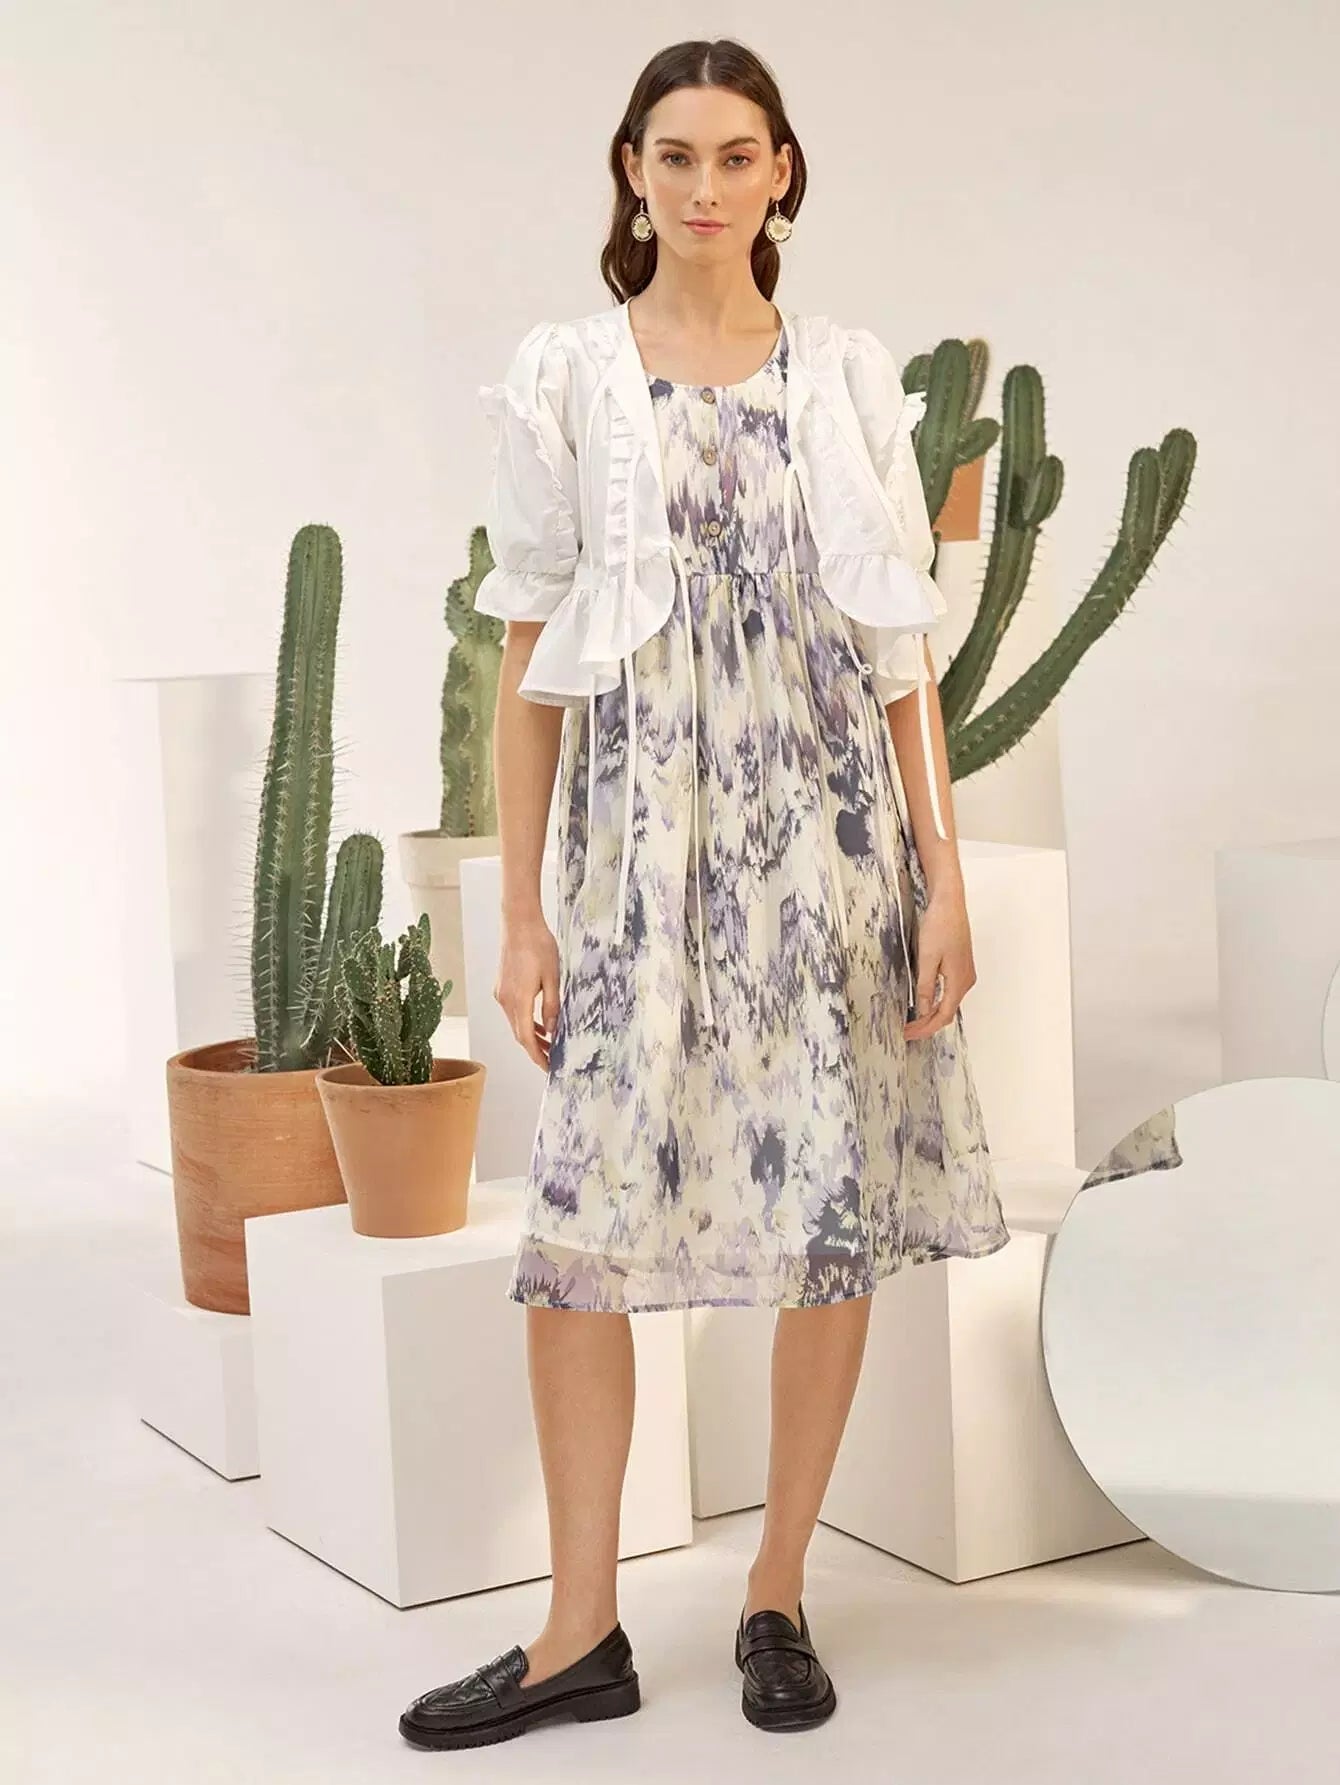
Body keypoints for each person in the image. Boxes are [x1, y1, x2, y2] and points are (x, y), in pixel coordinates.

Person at [399, 36, 1010, 1753]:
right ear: (632, 170)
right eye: (674, 155)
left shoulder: (845, 372)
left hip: (828, 853)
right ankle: (577, 1627)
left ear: (782, 173)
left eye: (737, 155)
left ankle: (777, 1588)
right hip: (643, 860)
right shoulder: (571, 377)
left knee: (828, 1209)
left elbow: (899, 650)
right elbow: (529, 660)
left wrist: (941, 871)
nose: (704, 186)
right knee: (580, 1238)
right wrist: (523, 911)